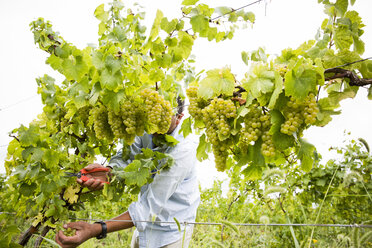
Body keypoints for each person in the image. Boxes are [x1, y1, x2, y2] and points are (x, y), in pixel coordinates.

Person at [55, 99, 200, 248]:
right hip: (141, 225)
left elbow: (149, 206)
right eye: (152, 118)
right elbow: (127, 157)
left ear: (179, 118)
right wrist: (109, 172)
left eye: (163, 121)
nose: (154, 126)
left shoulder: (184, 149)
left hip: (171, 230)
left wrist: (96, 229)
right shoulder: (147, 123)